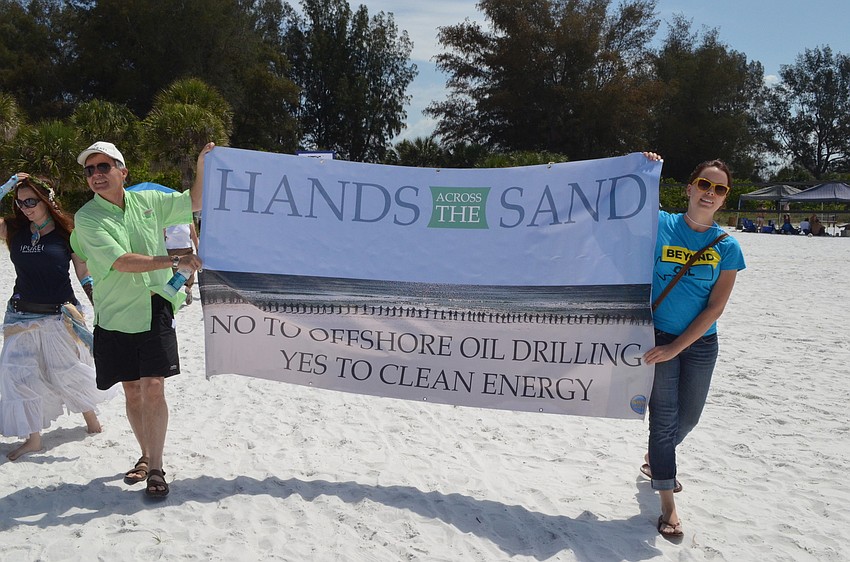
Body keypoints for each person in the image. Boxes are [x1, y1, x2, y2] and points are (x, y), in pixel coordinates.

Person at [71, 140, 214, 498]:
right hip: (115, 314)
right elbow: (121, 262)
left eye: (104, 167)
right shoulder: (87, 218)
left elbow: (193, 203)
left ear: (123, 171)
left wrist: (200, 166)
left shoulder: (149, 202)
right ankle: (146, 455)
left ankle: (157, 468)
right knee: (133, 392)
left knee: (154, 386)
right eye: (90, 170)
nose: (96, 175)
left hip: (155, 307)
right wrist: (175, 261)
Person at [640, 155, 746, 538]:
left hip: (700, 343)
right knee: (664, 420)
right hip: (658, 338)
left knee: (689, 419)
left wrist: (679, 347)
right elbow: (627, 202)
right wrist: (647, 167)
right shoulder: (662, 225)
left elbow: (715, 308)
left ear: (724, 198)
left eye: (719, 189)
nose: (710, 193)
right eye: (704, 184)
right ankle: (667, 501)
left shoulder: (728, 248)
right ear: (689, 188)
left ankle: (657, 457)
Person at [0, 173, 115, 460]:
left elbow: (84, 273)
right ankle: (33, 439)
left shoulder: (68, 233)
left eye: (31, 200)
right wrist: (6, 185)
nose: (25, 207)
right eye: (20, 201)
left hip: (58, 316)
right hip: (20, 316)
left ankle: (91, 419)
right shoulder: (14, 230)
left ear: (47, 200)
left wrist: (97, 305)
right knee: (17, 375)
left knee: (67, 370)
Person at [164, 221, 199, 304]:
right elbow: (162, 237)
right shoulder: (166, 220)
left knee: (188, 276)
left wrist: (198, 249)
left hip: (186, 251)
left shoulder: (188, 220)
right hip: (171, 252)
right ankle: (173, 299)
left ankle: (188, 290)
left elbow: (194, 236)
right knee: (173, 277)